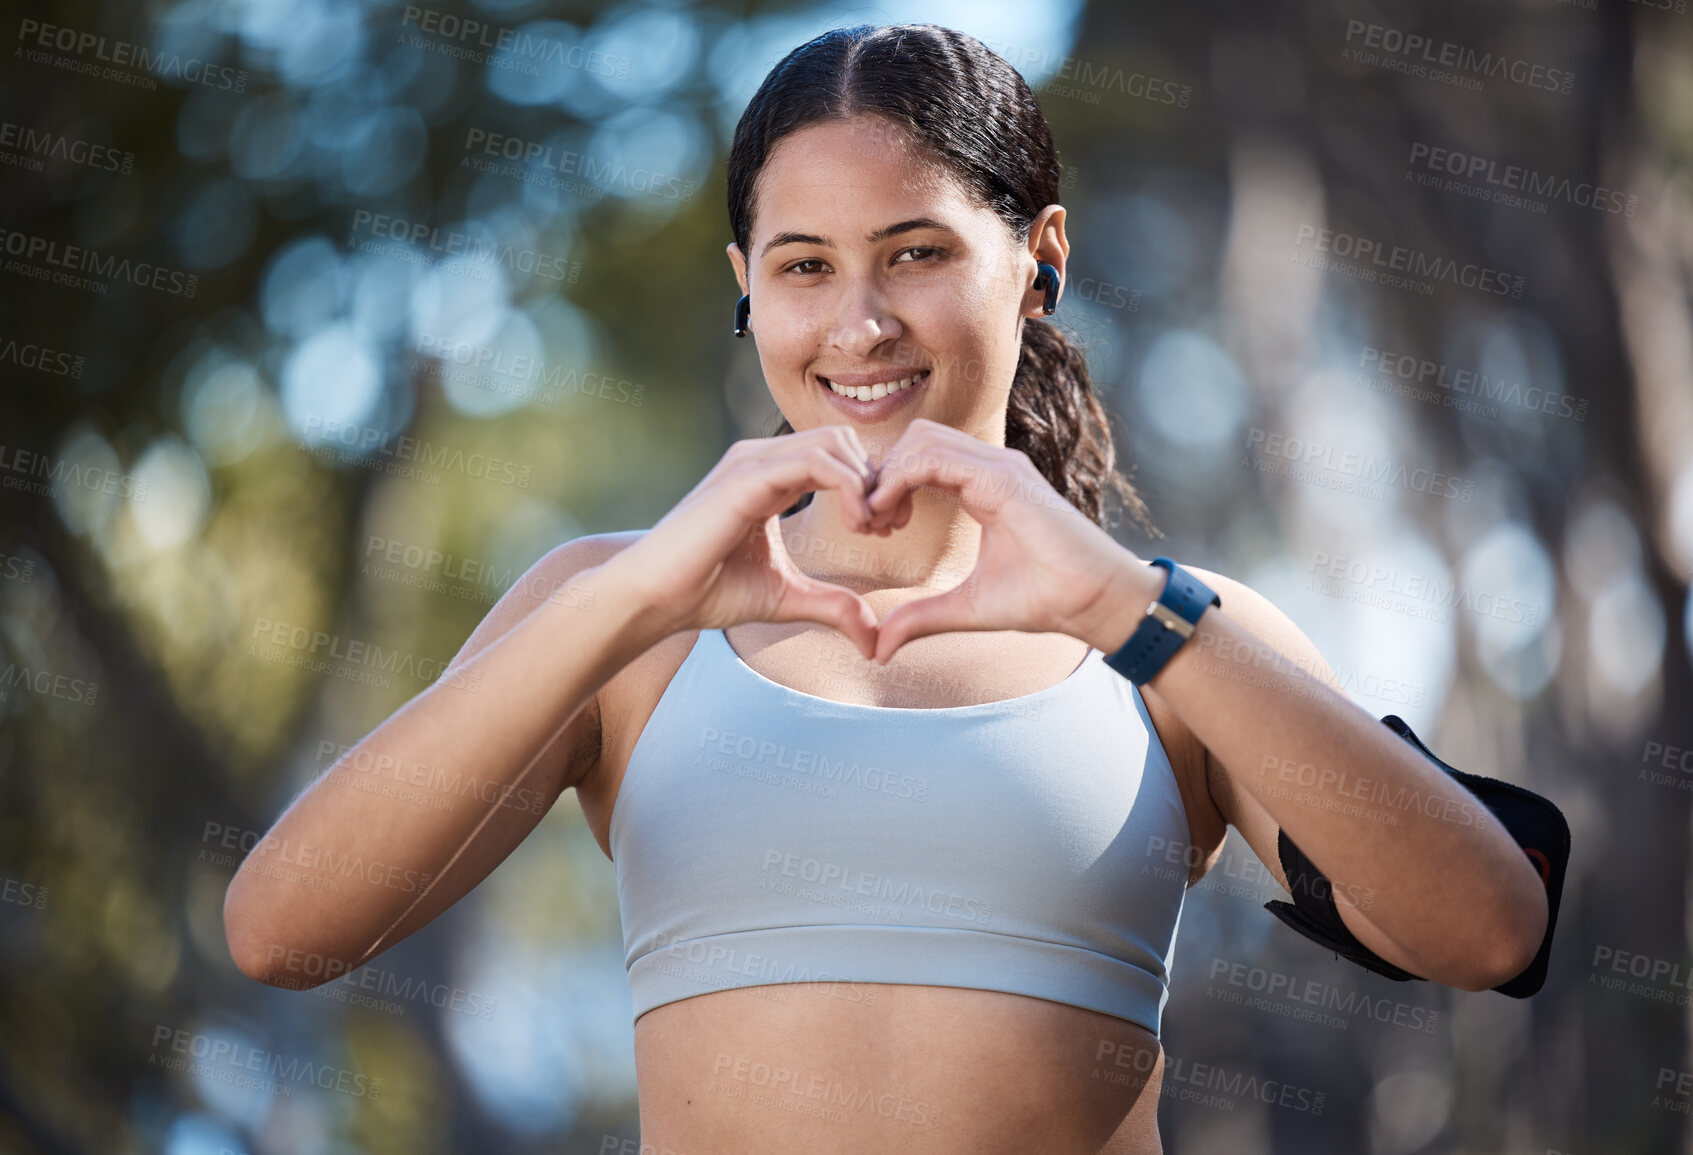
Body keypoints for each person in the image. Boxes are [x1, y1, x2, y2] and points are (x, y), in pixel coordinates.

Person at [224, 24, 1551, 1152]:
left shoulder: (1170, 630)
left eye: (916, 253)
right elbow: (284, 930)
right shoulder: (616, 616)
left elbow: (1487, 928)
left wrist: (1121, 614)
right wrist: (632, 602)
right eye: (805, 267)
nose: (861, 323)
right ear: (747, 287)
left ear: (1040, 259)